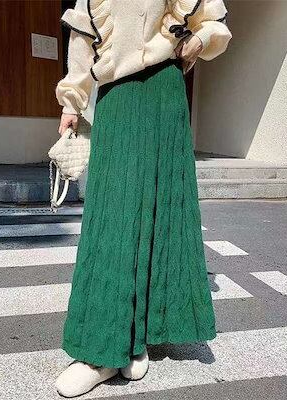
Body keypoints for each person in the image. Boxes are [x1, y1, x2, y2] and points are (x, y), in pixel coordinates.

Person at [54, 0, 232, 397]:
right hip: (117, 96)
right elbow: (83, 37)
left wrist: (200, 39)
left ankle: (138, 335)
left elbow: (212, 21)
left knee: (159, 208)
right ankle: (101, 350)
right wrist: (72, 101)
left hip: (165, 91)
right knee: (113, 216)